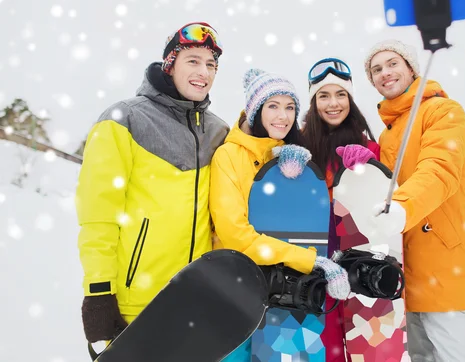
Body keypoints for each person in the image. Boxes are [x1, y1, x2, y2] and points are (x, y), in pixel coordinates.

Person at [75, 22, 230, 343]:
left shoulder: (219, 131)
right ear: (170, 64)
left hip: (197, 301)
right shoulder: (123, 120)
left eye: (211, 64)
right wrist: (99, 293)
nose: (204, 71)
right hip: (137, 303)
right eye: (193, 61)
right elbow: (98, 216)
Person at [364, 39, 465, 362]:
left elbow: (439, 171)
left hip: (447, 272)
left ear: (411, 68)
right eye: (376, 69)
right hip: (409, 277)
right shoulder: (388, 133)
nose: (385, 73)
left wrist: (400, 207)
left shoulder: (443, 112)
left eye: (392, 63)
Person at [209, 67, 351, 298]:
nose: (283, 116)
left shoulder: (287, 154)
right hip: (237, 282)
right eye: (273, 106)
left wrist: (299, 181)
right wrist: (311, 260)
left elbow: (303, 223)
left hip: (283, 287)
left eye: (290, 107)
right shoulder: (228, 156)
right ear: (255, 111)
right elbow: (235, 235)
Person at [302, 58, 380, 361]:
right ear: (313, 101)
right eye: (323, 95)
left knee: (363, 341)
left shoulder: (368, 148)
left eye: (340, 95)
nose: (333, 104)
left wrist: (371, 166)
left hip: (358, 255)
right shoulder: (300, 145)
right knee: (327, 346)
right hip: (317, 260)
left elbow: (381, 203)